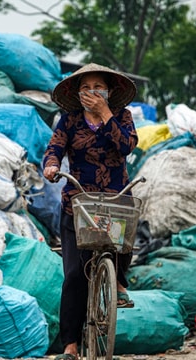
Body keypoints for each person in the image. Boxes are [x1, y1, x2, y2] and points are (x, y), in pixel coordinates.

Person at [42, 63, 138, 360]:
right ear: (77, 93)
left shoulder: (122, 117)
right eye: (85, 88)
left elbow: (127, 147)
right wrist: (51, 165)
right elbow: (54, 148)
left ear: (109, 92)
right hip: (78, 200)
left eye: (98, 87)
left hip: (114, 197)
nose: (92, 93)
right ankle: (70, 345)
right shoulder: (69, 121)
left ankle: (119, 281)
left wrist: (106, 114)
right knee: (74, 275)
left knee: (123, 241)